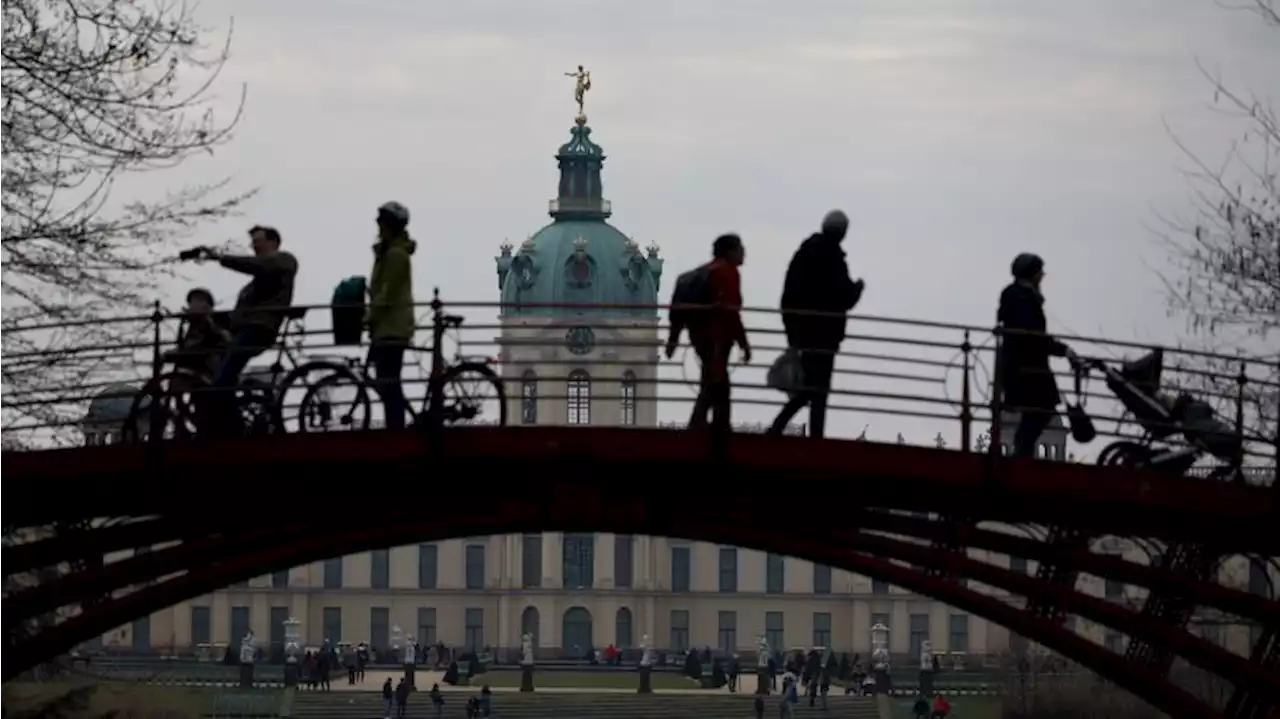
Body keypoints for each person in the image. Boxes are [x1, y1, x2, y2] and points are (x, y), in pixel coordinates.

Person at [769, 210, 864, 438]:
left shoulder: (803, 254)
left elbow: (788, 296)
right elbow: (845, 296)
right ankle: (813, 438)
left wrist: (792, 333)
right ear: (842, 233)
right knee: (818, 391)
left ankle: (777, 429)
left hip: (803, 334)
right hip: (825, 335)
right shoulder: (834, 258)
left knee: (808, 389)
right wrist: (858, 287)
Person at [198, 226, 299, 435]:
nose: (254, 245)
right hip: (248, 329)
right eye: (252, 241)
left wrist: (219, 257)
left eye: (258, 240)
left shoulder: (284, 260)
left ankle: (235, 431)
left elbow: (259, 264)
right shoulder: (256, 282)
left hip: (259, 329)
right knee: (225, 378)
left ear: (273, 242)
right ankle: (235, 425)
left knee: (222, 381)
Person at [996, 253, 1079, 457]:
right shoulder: (1023, 298)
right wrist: (1062, 350)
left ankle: (1021, 453)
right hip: (1027, 369)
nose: (1042, 275)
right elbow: (1033, 335)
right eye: (1039, 271)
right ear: (1032, 274)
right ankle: (1021, 455)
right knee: (1042, 410)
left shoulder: (1018, 295)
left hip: (1024, 367)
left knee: (1037, 412)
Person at [666, 233, 750, 434]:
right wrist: (744, 343)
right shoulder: (727, 273)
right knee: (717, 383)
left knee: (712, 380)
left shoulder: (701, 273)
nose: (743, 252)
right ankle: (710, 427)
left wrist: (673, 339)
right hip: (718, 338)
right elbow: (731, 313)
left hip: (699, 336)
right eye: (740, 248)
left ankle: (707, 424)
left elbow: (677, 309)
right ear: (730, 251)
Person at [365, 201, 417, 430]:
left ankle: (396, 427)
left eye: (382, 221)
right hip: (384, 327)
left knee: (388, 381)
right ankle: (396, 424)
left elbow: (388, 294)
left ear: (390, 225)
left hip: (392, 328)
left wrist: (367, 316)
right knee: (385, 380)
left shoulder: (396, 255)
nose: (378, 225)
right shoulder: (387, 254)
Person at [164, 288, 231, 378]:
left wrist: (206, 318)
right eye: (192, 301)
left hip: (206, 360)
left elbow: (222, 338)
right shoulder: (191, 323)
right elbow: (187, 343)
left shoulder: (219, 318)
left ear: (207, 304)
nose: (192, 304)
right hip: (190, 358)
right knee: (166, 358)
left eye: (198, 300)